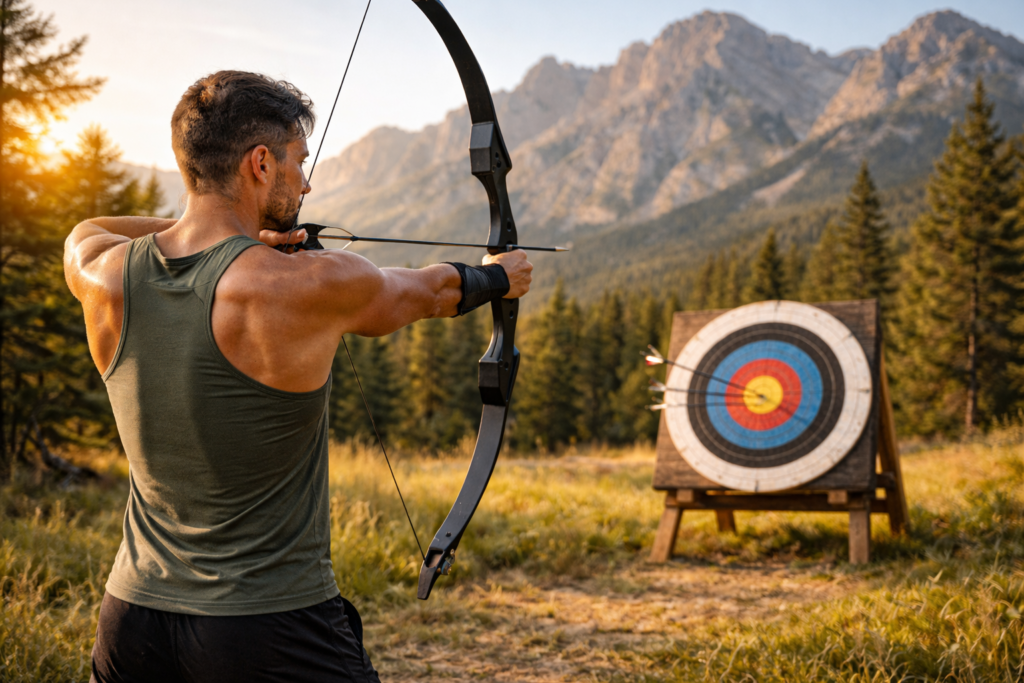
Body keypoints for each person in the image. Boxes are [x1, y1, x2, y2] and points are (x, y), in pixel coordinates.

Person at [63, 70, 532, 682]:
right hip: (270, 625)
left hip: (131, 619)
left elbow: (91, 229)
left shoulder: (98, 269)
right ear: (260, 163)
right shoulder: (312, 284)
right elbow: (433, 289)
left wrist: (218, 233)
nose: (305, 182)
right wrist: (498, 277)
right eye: (298, 162)